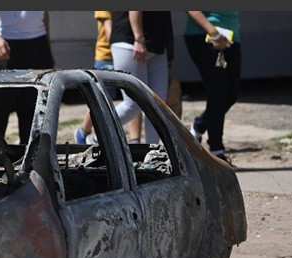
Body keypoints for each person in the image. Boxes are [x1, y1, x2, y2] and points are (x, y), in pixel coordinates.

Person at [0, 11, 55, 145]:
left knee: (34, 104)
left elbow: (45, 14)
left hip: (38, 41)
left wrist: (47, 46)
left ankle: (31, 153)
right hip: (7, 40)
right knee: (0, 103)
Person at [75, 11, 142, 145]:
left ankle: (135, 139)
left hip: (128, 53)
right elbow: (108, 30)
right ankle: (83, 132)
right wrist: (121, 52)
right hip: (107, 58)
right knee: (100, 102)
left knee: (134, 97)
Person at [109, 11, 174, 145]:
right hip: (129, 41)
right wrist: (138, 37)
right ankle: (97, 135)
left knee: (158, 106)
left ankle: (152, 153)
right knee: (134, 104)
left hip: (157, 44)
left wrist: (170, 50)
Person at [184, 11, 241, 162]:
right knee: (218, 90)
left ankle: (197, 128)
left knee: (231, 94)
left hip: (231, 37)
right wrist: (213, 32)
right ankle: (217, 150)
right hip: (204, 35)